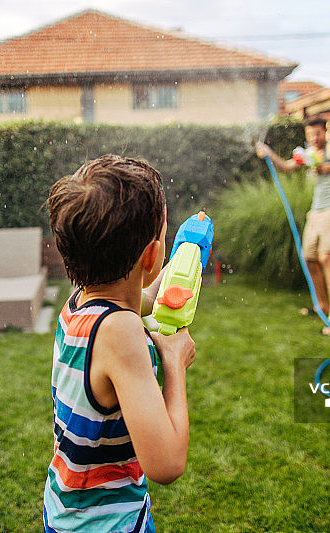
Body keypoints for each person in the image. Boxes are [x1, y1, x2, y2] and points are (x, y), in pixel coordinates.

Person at [44, 154, 195, 532]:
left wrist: (180, 274)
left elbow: (136, 298)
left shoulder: (81, 301)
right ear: (151, 255)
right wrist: (174, 362)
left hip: (68, 508)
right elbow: (167, 464)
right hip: (107, 522)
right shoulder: (121, 333)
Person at [256, 117, 330, 336]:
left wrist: (322, 166)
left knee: (327, 256)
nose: (314, 138)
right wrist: (269, 153)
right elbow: (288, 167)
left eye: (317, 134)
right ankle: (322, 306)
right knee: (309, 258)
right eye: (310, 135)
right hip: (316, 211)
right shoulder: (308, 151)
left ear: (324, 132)